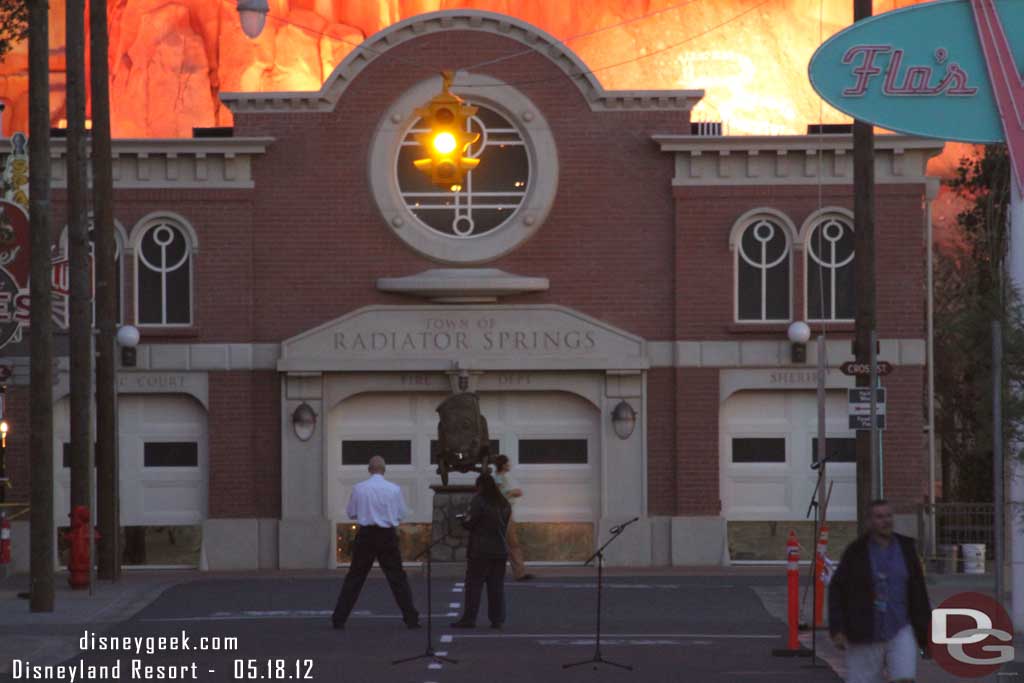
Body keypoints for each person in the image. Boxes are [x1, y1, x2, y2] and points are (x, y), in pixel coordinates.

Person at [828, 499, 932, 683]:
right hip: (865, 630)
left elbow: (918, 591)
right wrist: (838, 628)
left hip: (900, 626)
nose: (886, 521)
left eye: (889, 516)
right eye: (879, 517)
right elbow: (837, 590)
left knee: (905, 678)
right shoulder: (856, 552)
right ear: (869, 521)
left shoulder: (906, 548)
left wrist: (925, 632)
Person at [331, 455, 420, 630]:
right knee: (397, 578)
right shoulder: (394, 489)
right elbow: (401, 513)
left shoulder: (359, 488)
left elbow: (351, 513)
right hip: (386, 535)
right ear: (384, 470)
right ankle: (411, 618)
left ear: (369, 469)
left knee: (355, 578)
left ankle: (339, 618)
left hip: (366, 535)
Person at [451, 473, 511, 629]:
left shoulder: (479, 500)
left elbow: (471, 523)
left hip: (480, 550)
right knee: (496, 585)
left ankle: (469, 618)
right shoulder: (504, 503)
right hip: (500, 549)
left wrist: (463, 520)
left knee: (474, 584)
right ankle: (497, 619)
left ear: (481, 486)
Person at [492, 454, 535, 581]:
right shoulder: (499, 479)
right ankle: (519, 573)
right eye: (508, 463)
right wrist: (511, 492)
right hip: (504, 514)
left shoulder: (503, 478)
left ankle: (519, 572)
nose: (510, 465)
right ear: (503, 465)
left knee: (509, 544)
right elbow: (499, 496)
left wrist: (512, 493)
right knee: (512, 543)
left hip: (506, 512)